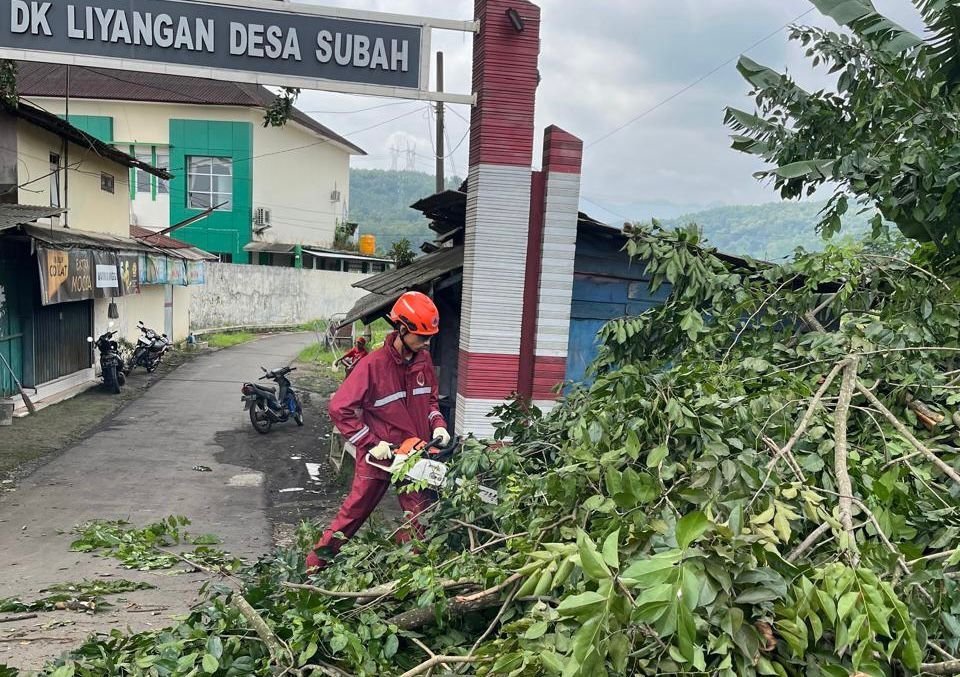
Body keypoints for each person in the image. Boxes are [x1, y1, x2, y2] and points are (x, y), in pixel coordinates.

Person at [306, 291, 449, 571]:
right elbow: (339, 408)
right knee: (352, 515)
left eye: (429, 337)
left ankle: (408, 573)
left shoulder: (423, 361)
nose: (427, 342)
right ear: (403, 329)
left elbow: (430, 401)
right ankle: (313, 568)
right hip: (381, 455)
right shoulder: (372, 365)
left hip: (414, 455)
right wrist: (371, 443)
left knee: (418, 518)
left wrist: (439, 425)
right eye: (422, 337)